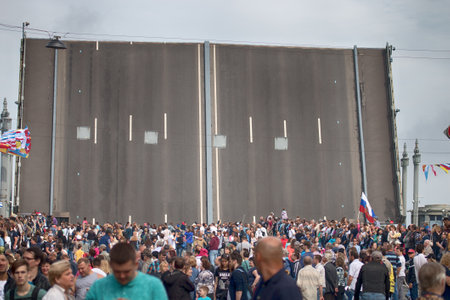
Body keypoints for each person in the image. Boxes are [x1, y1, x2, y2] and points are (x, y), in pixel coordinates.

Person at [86, 242, 168, 300]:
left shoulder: (154, 287)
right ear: (110, 266)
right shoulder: (98, 288)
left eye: (127, 271)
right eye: (117, 272)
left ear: (136, 265)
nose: (122, 276)